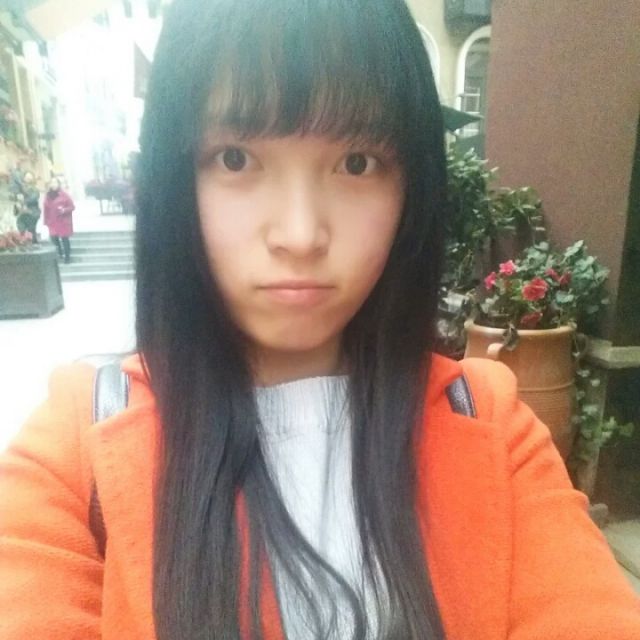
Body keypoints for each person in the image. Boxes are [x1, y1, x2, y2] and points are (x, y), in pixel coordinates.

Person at [0, 1, 639, 639]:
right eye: (235, 159)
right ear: (175, 178)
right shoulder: (76, 447)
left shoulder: (490, 424)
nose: (301, 234)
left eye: (357, 162)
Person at [43, 177, 76, 263]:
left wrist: (64, 210)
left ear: (58, 184)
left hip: (63, 221)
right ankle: (60, 253)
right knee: (54, 238)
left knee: (64, 239)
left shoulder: (64, 195)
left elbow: (72, 207)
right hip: (52, 221)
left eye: (55, 182)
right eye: (52, 182)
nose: (53, 184)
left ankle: (67, 257)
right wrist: (46, 221)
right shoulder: (47, 196)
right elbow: (45, 209)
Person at [13, 170, 41, 243]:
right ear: (24, 178)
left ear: (32, 179)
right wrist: (17, 206)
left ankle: (33, 244)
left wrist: (23, 202)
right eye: (26, 177)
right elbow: (16, 200)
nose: (28, 179)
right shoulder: (20, 189)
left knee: (31, 231)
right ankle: (25, 243)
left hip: (32, 213)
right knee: (22, 231)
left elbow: (33, 199)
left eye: (30, 177)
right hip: (22, 214)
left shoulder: (35, 189)